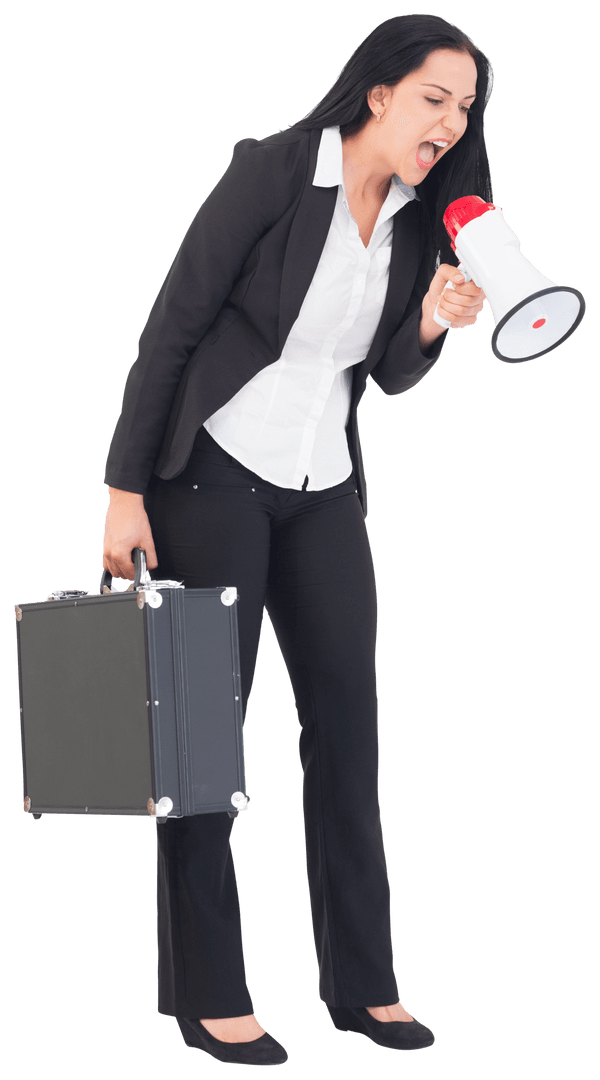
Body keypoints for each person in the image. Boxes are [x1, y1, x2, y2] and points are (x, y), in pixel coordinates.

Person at [102, 12, 492, 1066]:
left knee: (349, 737)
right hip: (206, 478)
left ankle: (364, 986)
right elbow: (173, 322)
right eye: (434, 99)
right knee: (199, 745)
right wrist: (123, 489)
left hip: (322, 489)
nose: (451, 123)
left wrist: (431, 324)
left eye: (464, 108)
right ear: (378, 94)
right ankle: (209, 992)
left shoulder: (417, 219)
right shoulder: (274, 172)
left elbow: (388, 374)